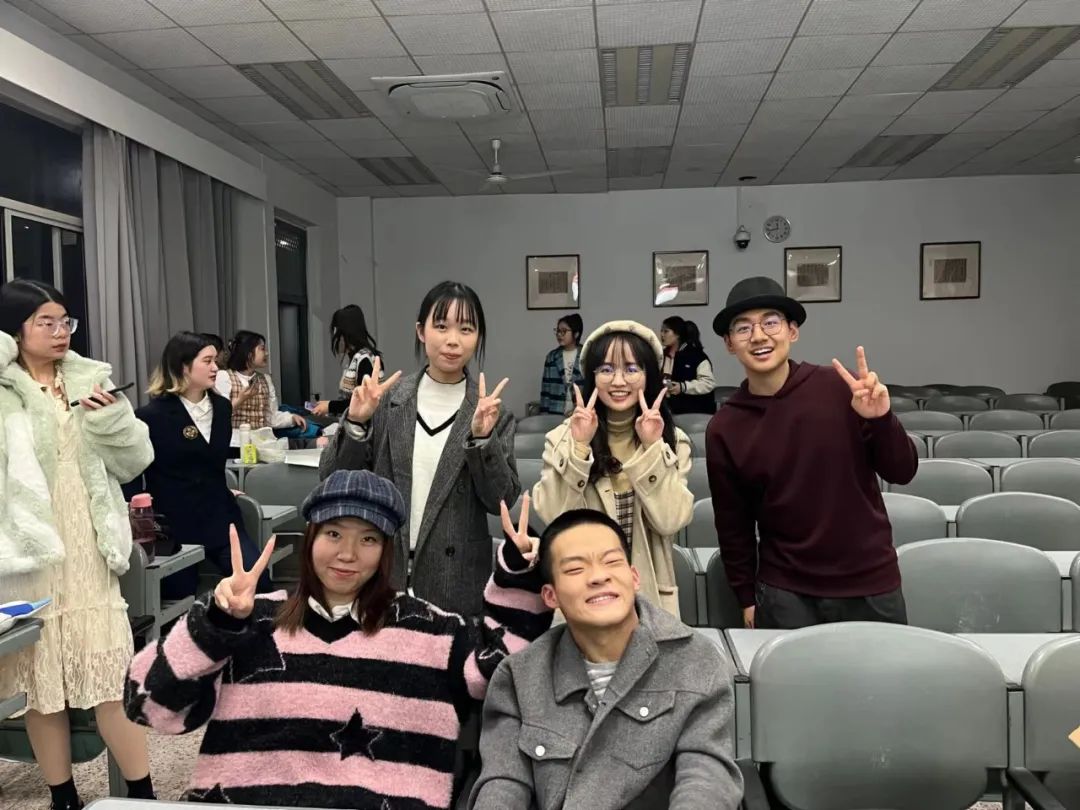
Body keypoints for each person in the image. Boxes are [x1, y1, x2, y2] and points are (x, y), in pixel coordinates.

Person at [124, 469, 552, 808]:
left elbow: (504, 664)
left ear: (386, 552)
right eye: (334, 534)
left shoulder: (429, 629)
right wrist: (214, 624)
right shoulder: (248, 620)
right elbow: (148, 707)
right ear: (310, 538)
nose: (348, 554)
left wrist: (517, 574)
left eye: (368, 539)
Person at [0, 280, 156, 809]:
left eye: (65, 321)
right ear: (15, 329)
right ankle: (62, 797)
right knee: (43, 688)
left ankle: (143, 793)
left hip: (88, 543)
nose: (60, 331)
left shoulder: (92, 380)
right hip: (30, 552)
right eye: (45, 322)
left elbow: (134, 462)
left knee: (111, 679)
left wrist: (111, 419)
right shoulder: (4, 389)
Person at [470, 508, 743, 810]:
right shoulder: (520, 675)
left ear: (634, 577)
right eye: (576, 569)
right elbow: (503, 783)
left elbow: (706, 779)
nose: (599, 577)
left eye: (612, 562)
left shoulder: (695, 659)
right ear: (550, 595)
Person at [706, 276, 918, 630]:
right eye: (743, 328)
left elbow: (903, 471)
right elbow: (733, 524)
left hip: (869, 582)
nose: (758, 336)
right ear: (729, 344)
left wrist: (881, 419)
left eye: (771, 322)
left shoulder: (841, 388)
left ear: (792, 331)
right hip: (785, 592)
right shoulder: (725, 427)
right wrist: (745, 596)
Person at [319, 281, 519, 617]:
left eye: (466, 329)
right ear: (421, 331)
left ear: (478, 337)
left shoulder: (491, 412)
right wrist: (355, 421)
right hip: (382, 568)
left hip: (455, 579)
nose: (453, 340)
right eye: (441, 326)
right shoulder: (386, 402)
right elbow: (332, 480)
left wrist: (482, 439)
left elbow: (500, 500)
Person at [532, 320, 693, 617]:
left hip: (649, 597)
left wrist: (652, 448)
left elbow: (671, 521)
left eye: (632, 369)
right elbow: (553, 517)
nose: (618, 381)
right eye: (606, 369)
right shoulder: (563, 438)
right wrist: (580, 447)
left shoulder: (672, 440)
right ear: (592, 376)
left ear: (649, 375)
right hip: (583, 594)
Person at [132, 331, 270, 599]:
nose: (215, 368)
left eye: (215, 360)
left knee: (257, 583)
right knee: (178, 597)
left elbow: (210, 464)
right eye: (207, 361)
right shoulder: (150, 416)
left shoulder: (222, 408)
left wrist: (224, 489)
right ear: (184, 366)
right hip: (174, 525)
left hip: (220, 518)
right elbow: (136, 475)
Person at [214, 329, 306, 445]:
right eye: (262, 349)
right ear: (248, 353)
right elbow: (218, 416)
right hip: (235, 443)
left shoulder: (265, 379)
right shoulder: (224, 377)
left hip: (262, 443)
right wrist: (240, 400)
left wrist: (291, 418)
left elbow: (270, 417)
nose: (266, 353)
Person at [310, 304, 379, 418]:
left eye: (335, 331)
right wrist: (328, 405)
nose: (334, 337)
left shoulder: (364, 360)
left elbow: (362, 403)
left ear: (345, 333)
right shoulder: (357, 358)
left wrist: (330, 406)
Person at [659, 316, 716, 415]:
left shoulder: (696, 356)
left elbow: (708, 383)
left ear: (677, 334)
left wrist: (683, 387)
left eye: (666, 331)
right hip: (667, 409)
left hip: (693, 412)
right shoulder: (661, 355)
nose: (662, 334)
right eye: (661, 331)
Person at [539, 313, 584, 416]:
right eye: (558, 331)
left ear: (576, 334)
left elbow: (591, 389)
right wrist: (544, 417)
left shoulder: (586, 355)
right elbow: (545, 391)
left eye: (563, 331)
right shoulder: (552, 357)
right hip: (555, 413)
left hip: (580, 414)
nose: (559, 334)